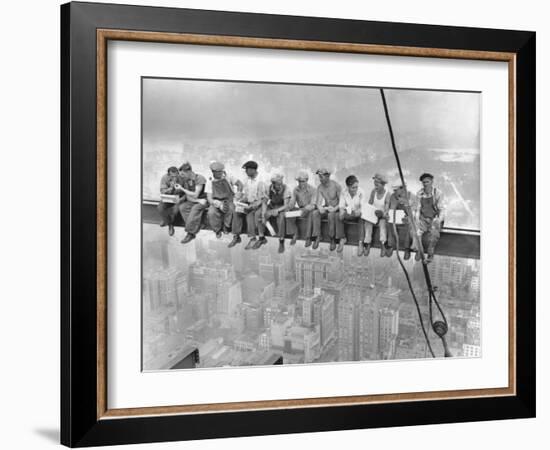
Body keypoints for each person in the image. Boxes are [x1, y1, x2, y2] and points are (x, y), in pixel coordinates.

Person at [228, 160, 267, 250]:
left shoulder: (261, 181)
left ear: (253, 170)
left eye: (247, 170)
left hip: (259, 204)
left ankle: (253, 238)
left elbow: (263, 198)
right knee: (236, 211)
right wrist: (240, 200)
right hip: (249, 203)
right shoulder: (247, 180)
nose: (246, 172)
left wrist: (252, 206)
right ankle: (236, 236)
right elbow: (246, 195)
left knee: (250, 214)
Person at [412, 173, 445, 263]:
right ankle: (420, 251)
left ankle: (430, 255)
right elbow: (418, 208)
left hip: (434, 219)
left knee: (433, 236)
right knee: (416, 233)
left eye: (427, 182)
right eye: (424, 182)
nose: (425, 184)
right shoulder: (419, 193)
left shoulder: (437, 193)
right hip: (423, 218)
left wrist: (438, 219)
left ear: (431, 182)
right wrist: (417, 219)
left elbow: (441, 209)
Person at [205, 161, 243, 238]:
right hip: (217, 201)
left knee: (231, 209)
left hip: (229, 199)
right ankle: (217, 230)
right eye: (218, 172)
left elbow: (240, 184)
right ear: (213, 172)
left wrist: (239, 192)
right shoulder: (209, 181)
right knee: (211, 212)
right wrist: (216, 203)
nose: (220, 174)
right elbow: (209, 197)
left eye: (221, 171)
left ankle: (226, 226)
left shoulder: (228, 176)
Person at [255, 173, 291, 253]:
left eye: (281, 183)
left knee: (281, 218)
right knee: (259, 213)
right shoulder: (269, 188)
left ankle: (281, 240)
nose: (280, 185)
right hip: (272, 205)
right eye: (278, 184)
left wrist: (276, 211)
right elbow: (264, 202)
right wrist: (264, 214)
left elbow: (286, 205)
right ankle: (261, 238)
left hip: (281, 208)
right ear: (273, 184)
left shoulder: (286, 189)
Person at [313, 168, 344, 251]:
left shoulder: (336, 186)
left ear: (328, 176)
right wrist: (321, 208)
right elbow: (318, 203)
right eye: (319, 177)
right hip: (327, 208)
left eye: (321, 177)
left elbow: (342, 202)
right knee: (315, 213)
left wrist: (334, 209)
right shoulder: (320, 187)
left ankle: (332, 239)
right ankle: (318, 236)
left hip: (336, 208)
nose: (320, 179)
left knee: (331, 215)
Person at [177, 162, 208, 244]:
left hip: (204, 200)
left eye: (183, 174)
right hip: (196, 200)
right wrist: (197, 200)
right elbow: (188, 196)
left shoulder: (199, 178)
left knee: (195, 209)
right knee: (182, 207)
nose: (182, 176)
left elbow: (195, 194)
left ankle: (190, 233)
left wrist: (182, 189)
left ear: (188, 172)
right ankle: (197, 225)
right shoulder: (187, 180)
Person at [286, 170, 318, 247]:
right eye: (299, 181)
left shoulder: (313, 190)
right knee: (288, 214)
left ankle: (308, 238)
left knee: (311, 213)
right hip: (300, 210)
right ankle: (295, 233)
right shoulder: (295, 189)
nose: (301, 183)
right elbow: (292, 202)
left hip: (310, 209)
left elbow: (313, 204)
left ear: (307, 180)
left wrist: (305, 209)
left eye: (303, 181)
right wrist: (288, 206)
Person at [384, 181, 415, 259]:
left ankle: (407, 248)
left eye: (396, 190)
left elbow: (414, 212)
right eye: (394, 191)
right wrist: (387, 214)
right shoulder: (392, 196)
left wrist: (405, 204)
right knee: (389, 222)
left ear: (403, 188)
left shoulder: (412, 197)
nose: (394, 192)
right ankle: (391, 245)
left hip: (407, 219)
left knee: (410, 224)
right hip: (396, 219)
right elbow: (390, 209)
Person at [338, 175, 366, 256]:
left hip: (358, 214)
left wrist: (359, 211)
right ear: (348, 187)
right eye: (353, 187)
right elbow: (341, 206)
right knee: (339, 216)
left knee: (361, 218)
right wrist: (341, 212)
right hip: (349, 213)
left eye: (356, 187)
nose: (355, 189)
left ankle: (361, 243)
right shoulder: (343, 192)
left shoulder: (361, 192)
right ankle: (343, 238)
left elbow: (363, 206)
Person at [364, 173, 391, 257]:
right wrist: (368, 212)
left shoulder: (387, 194)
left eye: (377, 184)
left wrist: (382, 214)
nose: (375, 186)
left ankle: (383, 244)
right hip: (373, 214)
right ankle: (367, 243)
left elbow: (386, 209)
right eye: (375, 184)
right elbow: (370, 203)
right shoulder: (373, 191)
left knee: (382, 225)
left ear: (383, 185)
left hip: (382, 216)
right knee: (367, 223)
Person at [157, 166, 184, 236]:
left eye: (176, 175)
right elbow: (162, 191)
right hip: (168, 197)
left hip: (178, 198)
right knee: (160, 208)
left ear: (178, 173)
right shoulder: (164, 178)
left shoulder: (182, 178)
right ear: (169, 174)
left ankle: (168, 223)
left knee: (175, 210)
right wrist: (170, 188)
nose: (174, 177)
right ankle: (169, 223)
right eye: (172, 176)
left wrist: (180, 196)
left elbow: (185, 191)